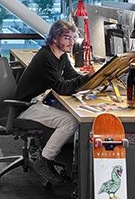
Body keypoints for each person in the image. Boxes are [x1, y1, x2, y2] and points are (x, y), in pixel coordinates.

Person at [14, 19, 95, 184]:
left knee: (77, 112)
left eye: (73, 38)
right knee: (70, 121)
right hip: (26, 106)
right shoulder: (46, 57)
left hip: (40, 100)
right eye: (67, 38)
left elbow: (72, 77)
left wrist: (93, 80)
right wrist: (86, 78)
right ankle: (45, 159)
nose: (71, 42)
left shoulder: (61, 56)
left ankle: (75, 164)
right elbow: (61, 87)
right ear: (55, 38)